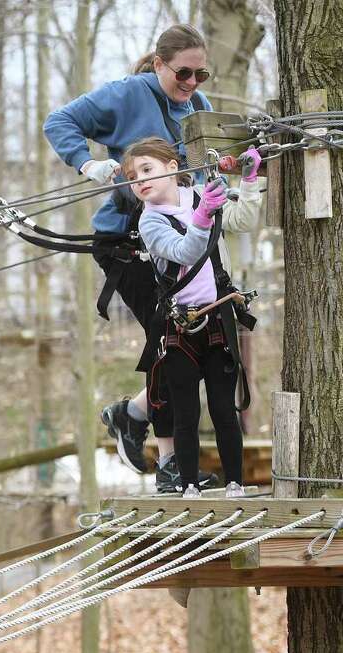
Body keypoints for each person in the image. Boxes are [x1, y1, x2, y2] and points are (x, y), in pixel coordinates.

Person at [44, 23, 241, 492]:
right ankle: (171, 460)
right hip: (127, 242)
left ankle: (131, 413)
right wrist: (89, 162)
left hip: (178, 248)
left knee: (187, 337)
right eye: (183, 73)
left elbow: (207, 181)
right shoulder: (128, 94)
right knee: (168, 338)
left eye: (201, 75)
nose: (192, 84)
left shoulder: (199, 112)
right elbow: (59, 122)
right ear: (159, 65)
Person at [122, 136, 261, 497]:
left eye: (147, 169)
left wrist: (247, 181)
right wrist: (202, 217)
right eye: (133, 177)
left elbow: (243, 219)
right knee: (186, 413)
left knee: (222, 409)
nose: (140, 180)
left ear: (172, 168)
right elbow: (184, 251)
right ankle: (187, 486)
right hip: (179, 326)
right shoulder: (151, 222)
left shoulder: (201, 195)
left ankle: (235, 484)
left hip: (217, 319)